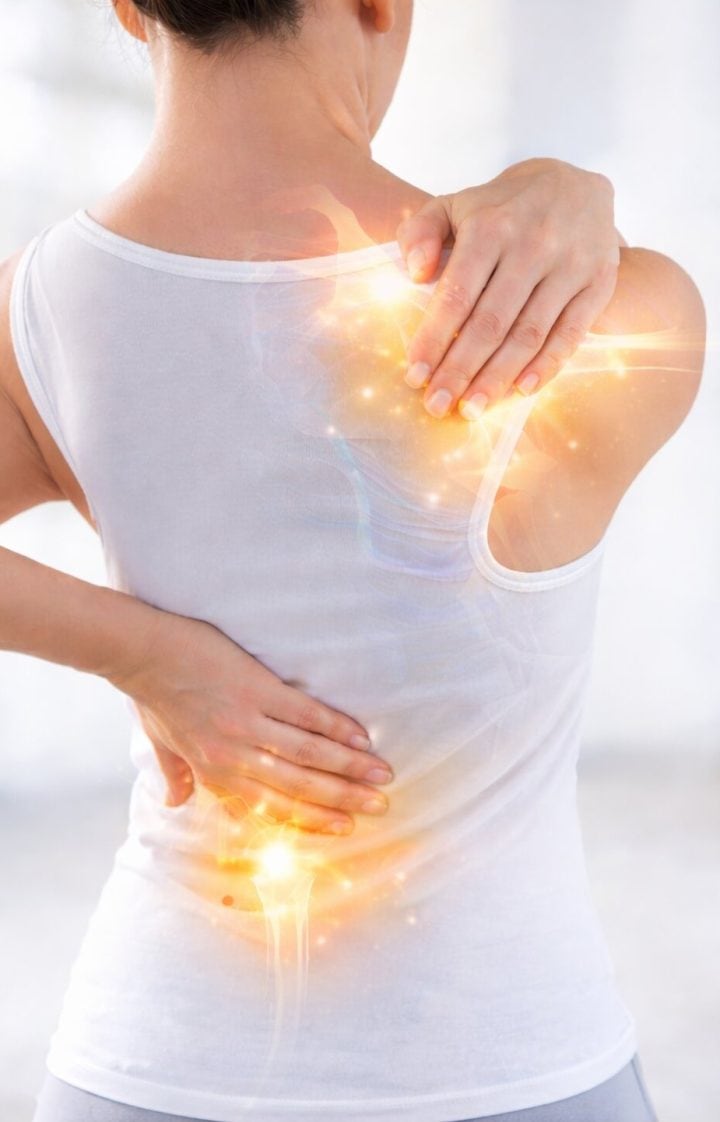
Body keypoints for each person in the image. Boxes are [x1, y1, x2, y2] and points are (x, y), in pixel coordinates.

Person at [0, 1, 705, 1120]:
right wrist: (576, 189)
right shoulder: (615, 311)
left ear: (128, 9)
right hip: (513, 1066)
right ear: (383, 3)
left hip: (146, 1068)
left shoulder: (40, 305)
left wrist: (148, 657)